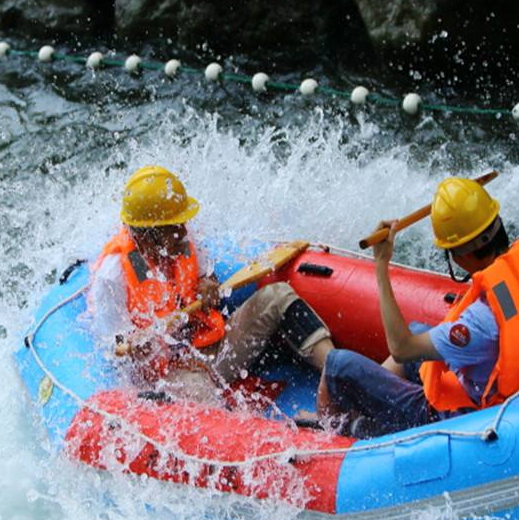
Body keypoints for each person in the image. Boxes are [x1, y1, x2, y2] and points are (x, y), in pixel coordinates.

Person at [317, 176, 519, 439]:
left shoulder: (479, 323)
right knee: (417, 331)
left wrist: (381, 265)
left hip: (461, 418)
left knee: (337, 364)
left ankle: (328, 431)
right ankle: (365, 405)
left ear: (461, 257)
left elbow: (400, 348)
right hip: (506, 385)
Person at [89, 165, 335, 402]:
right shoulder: (113, 275)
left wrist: (208, 285)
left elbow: (207, 278)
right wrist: (135, 345)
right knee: (199, 391)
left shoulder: (181, 239)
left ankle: (336, 369)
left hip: (214, 349)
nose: (184, 232)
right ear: (146, 237)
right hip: (170, 375)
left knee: (277, 295)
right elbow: (114, 346)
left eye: (182, 223)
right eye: (174, 228)